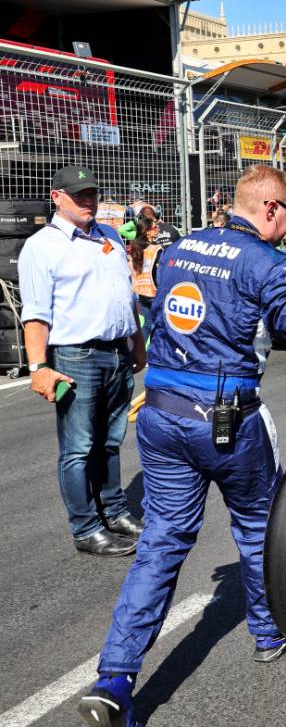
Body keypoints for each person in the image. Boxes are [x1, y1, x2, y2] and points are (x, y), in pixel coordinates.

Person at [78, 164, 286, 727]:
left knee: (162, 543)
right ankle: (270, 634)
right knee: (256, 525)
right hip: (225, 418)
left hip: (162, 414)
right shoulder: (265, 263)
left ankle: (115, 678)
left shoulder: (179, 249)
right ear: (270, 208)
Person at [17, 165, 147, 557]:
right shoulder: (43, 246)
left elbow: (126, 296)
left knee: (110, 442)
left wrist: (137, 344)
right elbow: (35, 314)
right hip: (76, 355)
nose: (88, 200)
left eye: (92, 193)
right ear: (57, 197)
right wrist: (39, 368)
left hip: (116, 353)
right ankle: (86, 528)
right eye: (79, 195)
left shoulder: (107, 236)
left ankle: (115, 510)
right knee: (78, 448)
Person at [128, 216, 161, 327]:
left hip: (141, 292)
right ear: (147, 232)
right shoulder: (156, 249)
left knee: (147, 323)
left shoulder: (135, 248)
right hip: (155, 292)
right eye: (155, 227)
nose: (158, 229)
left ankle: (143, 344)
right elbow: (160, 273)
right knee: (158, 324)